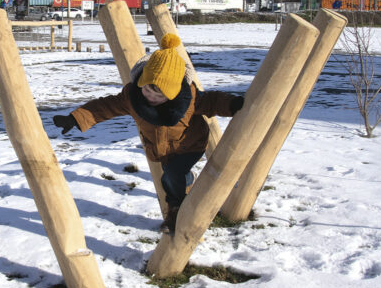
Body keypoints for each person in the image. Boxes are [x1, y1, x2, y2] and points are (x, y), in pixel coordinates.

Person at [52, 33, 244, 234]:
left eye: (158, 95)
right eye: (147, 90)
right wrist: (75, 118)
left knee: (172, 177)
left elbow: (212, 101)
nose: (150, 97)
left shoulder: (189, 98)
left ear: (171, 93)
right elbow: (105, 107)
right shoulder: (132, 97)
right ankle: (182, 190)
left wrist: (232, 104)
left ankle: (176, 213)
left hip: (190, 144)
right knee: (173, 177)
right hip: (159, 149)